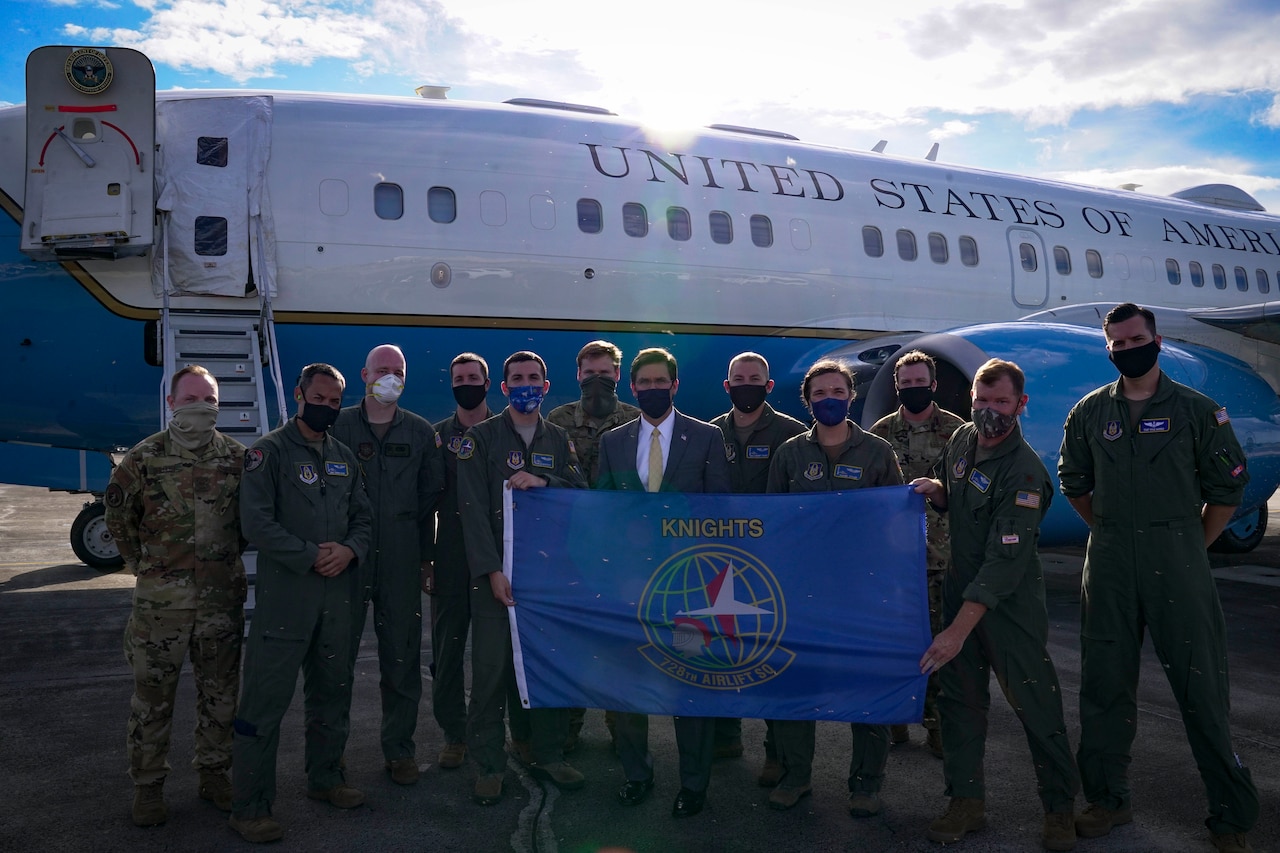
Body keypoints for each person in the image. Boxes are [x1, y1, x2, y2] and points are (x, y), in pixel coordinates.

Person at [1058, 303, 1259, 853]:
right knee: (1103, 686)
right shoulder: (1091, 412)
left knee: (1202, 688)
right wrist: (1110, 530)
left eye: (1135, 340)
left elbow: (1226, 489)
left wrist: (1192, 543)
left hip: (1179, 559)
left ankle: (1230, 814)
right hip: (1112, 561)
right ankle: (1106, 800)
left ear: (1157, 339)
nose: (1127, 350)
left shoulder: (1197, 410)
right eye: (1117, 344)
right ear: (1108, 348)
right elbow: (1073, 480)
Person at [912, 358, 1078, 852]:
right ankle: (966, 802)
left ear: (1020, 405)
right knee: (960, 705)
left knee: (1037, 706)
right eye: (982, 402)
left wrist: (955, 632)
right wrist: (935, 492)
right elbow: (953, 492)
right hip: (961, 595)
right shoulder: (962, 440)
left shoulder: (1024, 473)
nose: (990, 412)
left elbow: (1003, 566)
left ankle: (1059, 809)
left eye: (1001, 402)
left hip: (1007, 608)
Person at [229, 363, 373, 844]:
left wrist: (351, 549)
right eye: (319, 397)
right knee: (264, 704)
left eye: (335, 401)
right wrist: (312, 556)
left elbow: (364, 519)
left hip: (337, 601)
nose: (327, 407)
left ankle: (327, 778)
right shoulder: (266, 454)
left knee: (332, 696)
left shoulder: (344, 458)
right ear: (299, 395)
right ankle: (249, 805)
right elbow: (256, 523)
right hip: (286, 603)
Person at [104, 365, 247, 828]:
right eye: (191, 398)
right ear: (171, 403)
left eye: (208, 399)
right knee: (152, 702)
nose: (200, 407)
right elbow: (119, 519)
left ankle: (215, 777)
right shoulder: (144, 458)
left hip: (219, 605)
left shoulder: (238, 459)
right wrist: (144, 567)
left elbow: (250, 523)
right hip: (160, 610)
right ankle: (148, 789)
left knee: (221, 697)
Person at [597, 347, 732, 818]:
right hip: (629, 591)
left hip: (688, 592)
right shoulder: (611, 443)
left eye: (662, 382)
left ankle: (694, 784)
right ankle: (637, 774)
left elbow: (719, 515)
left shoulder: (707, 438)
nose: (653, 389)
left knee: (690, 688)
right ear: (632, 388)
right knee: (627, 689)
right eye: (645, 383)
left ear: (675, 387)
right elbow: (602, 515)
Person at [764, 359, 903, 814]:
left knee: (867, 690)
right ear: (807, 401)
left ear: (851, 396)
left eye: (838, 392)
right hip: (801, 594)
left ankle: (866, 785)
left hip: (862, 593)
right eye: (820, 392)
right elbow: (775, 523)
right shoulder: (789, 455)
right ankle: (796, 775)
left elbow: (896, 522)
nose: (829, 399)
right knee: (795, 686)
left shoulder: (878, 452)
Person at [457, 351, 588, 806]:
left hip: (546, 578)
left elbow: (581, 493)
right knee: (492, 673)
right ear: (505, 387)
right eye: (518, 379)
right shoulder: (480, 439)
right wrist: (491, 571)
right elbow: (471, 512)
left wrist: (545, 480)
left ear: (546, 386)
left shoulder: (558, 437)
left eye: (534, 377)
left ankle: (548, 754)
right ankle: (489, 765)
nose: (526, 384)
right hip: (496, 579)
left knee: (544, 667)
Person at [332, 344, 445, 785]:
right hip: (348, 557)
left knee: (401, 660)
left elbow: (430, 497)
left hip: (400, 558)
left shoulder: (419, 432)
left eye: (398, 371)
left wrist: (424, 558)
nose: (390, 377)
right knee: (334, 661)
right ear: (364, 374)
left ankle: (399, 750)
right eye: (383, 370)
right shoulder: (336, 425)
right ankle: (330, 755)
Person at [708, 351, 806, 777]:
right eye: (738, 379)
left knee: (771, 652)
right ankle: (726, 735)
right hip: (719, 560)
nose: (746, 385)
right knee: (720, 648)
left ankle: (775, 749)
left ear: (768, 386)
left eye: (755, 379)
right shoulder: (710, 433)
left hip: (772, 562)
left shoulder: (792, 433)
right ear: (727, 386)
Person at [869, 350, 965, 758]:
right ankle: (895, 720)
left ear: (933, 384)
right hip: (894, 563)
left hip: (942, 557)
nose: (913, 388)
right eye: (905, 384)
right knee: (895, 645)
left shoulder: (959, 431)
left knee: (940, 647)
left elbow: (969, 492)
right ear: (897, 388)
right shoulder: (880, 433)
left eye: (919, 381)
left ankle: (940, 726)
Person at [546, 340, 641, 751]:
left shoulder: (637, 420)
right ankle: (568, 729)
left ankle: (625, 733)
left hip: (620, 554)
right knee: (574, 645)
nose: (597, 381)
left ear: (618, 376)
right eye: (589, 374)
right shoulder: (558, 419)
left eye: (605, 374)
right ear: (578, 375)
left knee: (621, 646)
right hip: (572, 550)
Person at [425, 352, 493, 770]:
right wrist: (425, 558)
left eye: (473, 377)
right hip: (450, 555)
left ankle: (497, 730)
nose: (465, 383)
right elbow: (424, 502)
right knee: (447, 652)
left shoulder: (504, 433)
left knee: (494, 653)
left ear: (487, 383)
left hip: (493, 558)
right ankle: (454, 732)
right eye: (459, 377)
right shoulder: (436, 437)